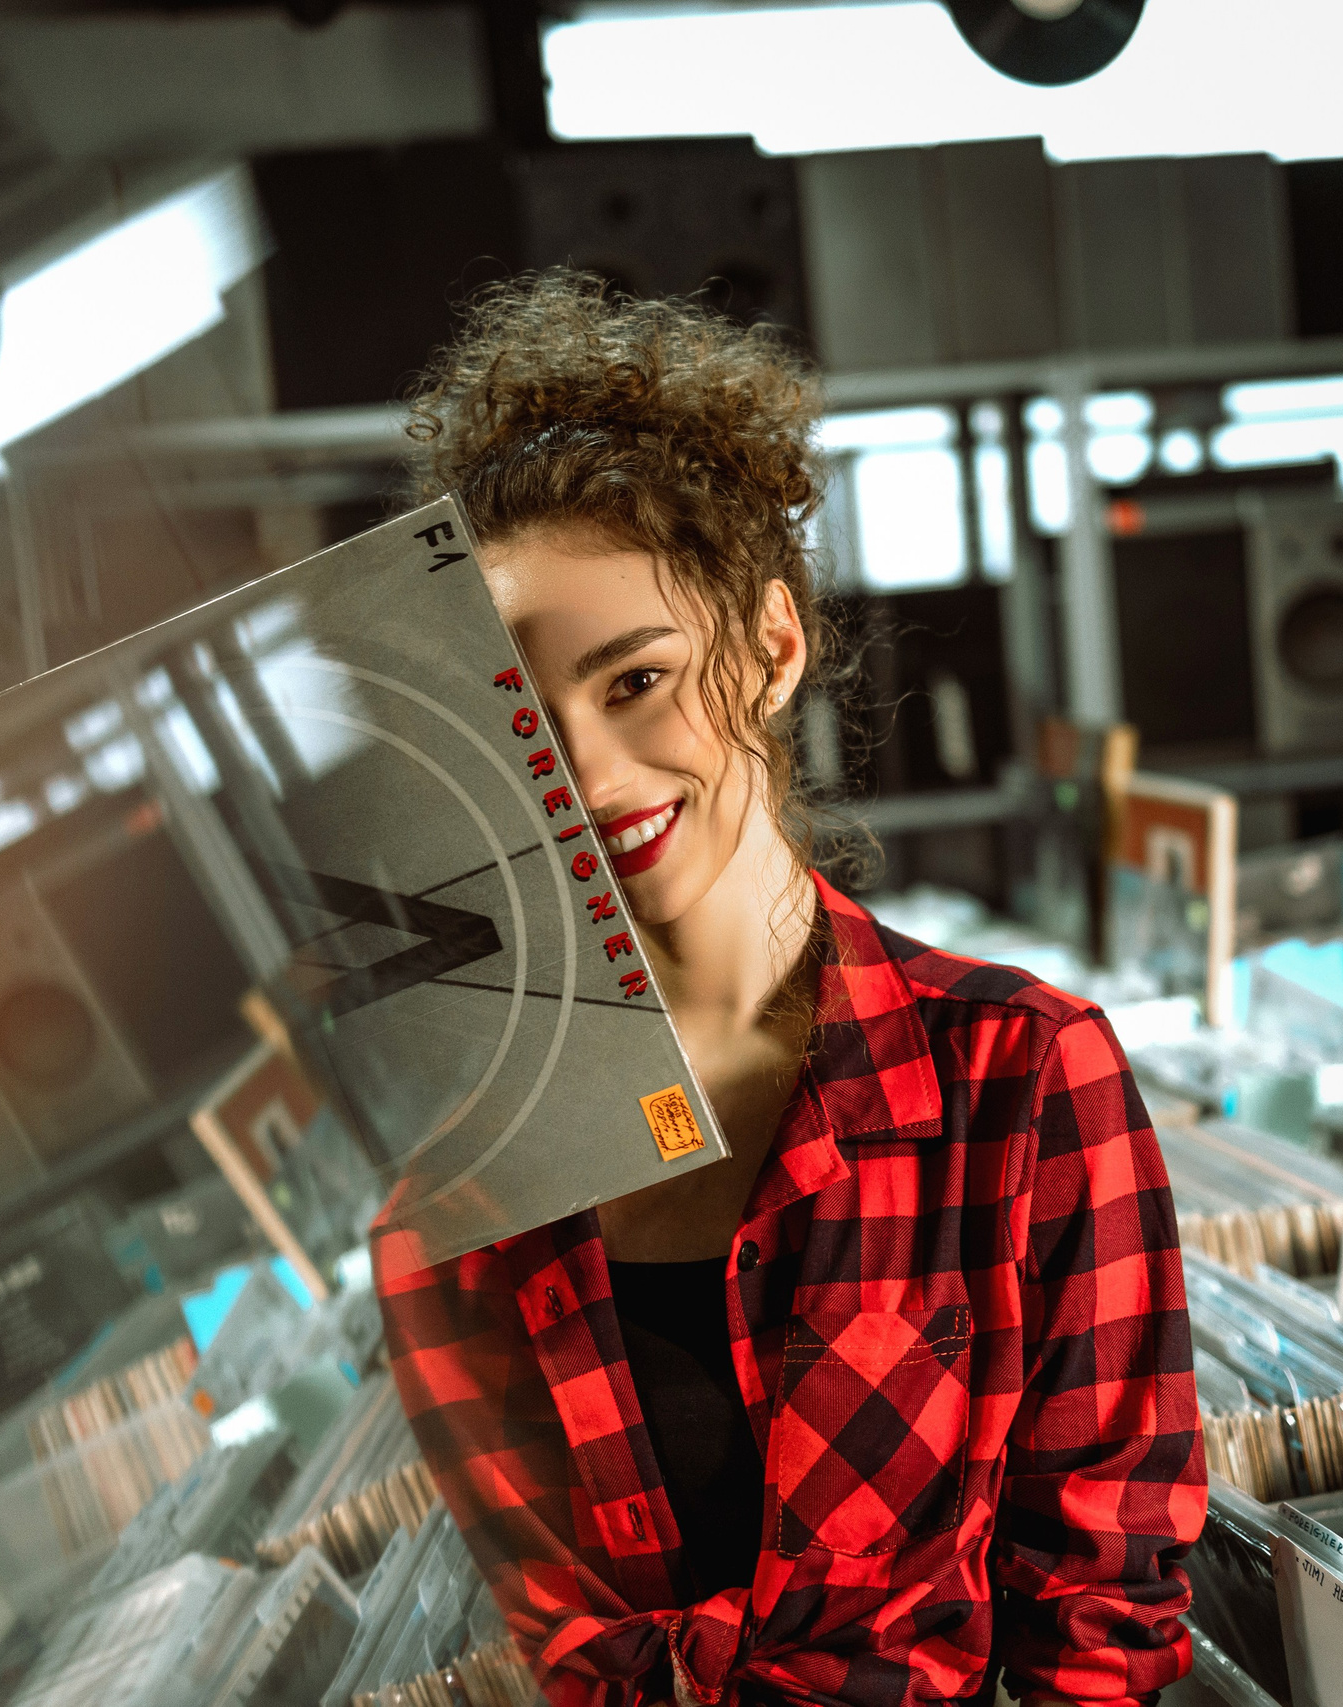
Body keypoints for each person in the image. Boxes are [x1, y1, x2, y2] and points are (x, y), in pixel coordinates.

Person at [372, 273, 1205, 1707]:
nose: (588, 778)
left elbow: (1104, 1625)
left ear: (770, 645)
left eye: (636, 681)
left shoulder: (1019, 1076)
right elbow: (575, 1660)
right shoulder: (448, 1216)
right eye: (524, 723)